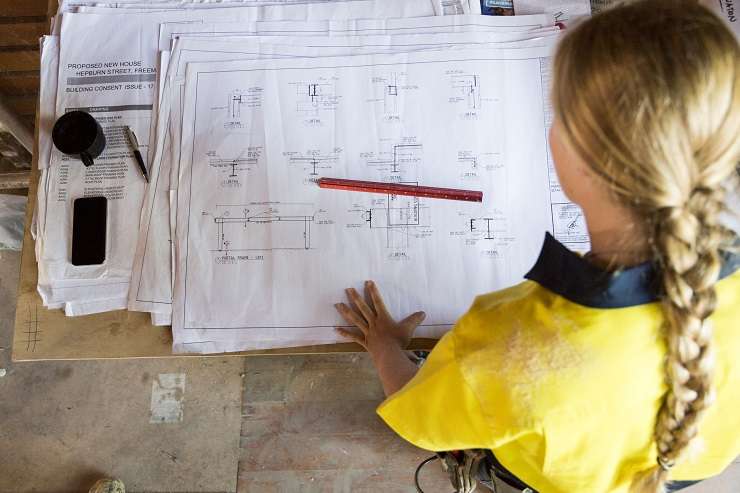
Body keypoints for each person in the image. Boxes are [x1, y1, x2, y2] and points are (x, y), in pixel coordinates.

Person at [334, 1, 740, 492]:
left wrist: (384, 346)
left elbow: (419, 422)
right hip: (683, 468)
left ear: (583, 163)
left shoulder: (505, 341)